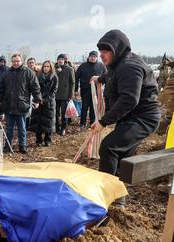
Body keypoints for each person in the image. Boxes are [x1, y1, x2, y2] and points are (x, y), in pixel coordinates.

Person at [91, 30, 161, 208]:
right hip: (130, 117)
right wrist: (99, 78)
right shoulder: (117, 63)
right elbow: (111, 75)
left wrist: (103, 122)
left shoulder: (130, 67)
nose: (102, 55)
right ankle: (118, 201)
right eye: (100, 51)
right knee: (120, 155)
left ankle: (107, 197)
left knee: (109, 147)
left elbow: (129, 99)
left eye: (105, 51)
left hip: (143, 118)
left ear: (117, 49)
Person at [0, 53, 42, 154]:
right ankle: (8, 145)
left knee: (22, 128)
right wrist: (0, 101)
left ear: (21, 61)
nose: (16, 63)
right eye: (14, 61)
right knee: (9, 128)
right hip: (9, 105)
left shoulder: (28, 72)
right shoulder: (6, 73)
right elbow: (1, 88)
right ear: (11, 62)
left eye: (17, 61)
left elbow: (35, 87)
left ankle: (22, 146)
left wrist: (37, 99)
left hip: (22, 105)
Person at [75, 51, 107, 128]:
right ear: (88, 57)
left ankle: (92, 123)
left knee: (94, 107)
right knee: (84, 107)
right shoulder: (83, 66)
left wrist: (103, 87)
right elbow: (76, 78)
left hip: (96, 90)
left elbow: (106, 77)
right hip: (85, 90)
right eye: (91, 56)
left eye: (94, 56)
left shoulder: (101, 66)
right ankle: (82, 123)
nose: (93, 58)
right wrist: (76, 89)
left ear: (97, 58)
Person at [30, 61, 59, 147]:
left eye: (48, 66)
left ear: (51, 68)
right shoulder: (38, 76)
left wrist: (45, 100)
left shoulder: (54, 77)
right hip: (38, 101)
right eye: (45, 66)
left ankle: (48, 139)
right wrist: (39, 99)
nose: (46, 68)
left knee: (48, 122)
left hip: (49, 102)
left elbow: (54, 91)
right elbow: (35, 88)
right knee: (38, 121)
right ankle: (38, 140)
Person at [55, 54, 75, 136]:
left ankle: (63, 128)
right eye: (59, 59)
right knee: (55, 112)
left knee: (64, 113)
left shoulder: (69, 69)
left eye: (62, 59)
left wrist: (71, 95)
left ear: (64, 60)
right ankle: (56, 127)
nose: (60, 61)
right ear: (57, 60)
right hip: (55, 95)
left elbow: (72, 83)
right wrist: (56, 72)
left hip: (65, 95)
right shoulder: (54, 69)